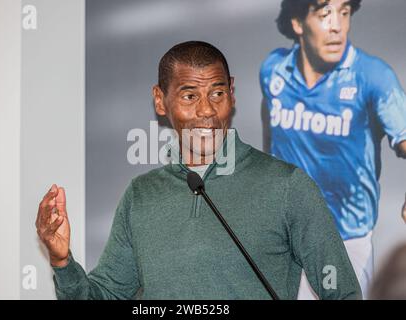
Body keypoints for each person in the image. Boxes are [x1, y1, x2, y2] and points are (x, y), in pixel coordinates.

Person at [36, 41, 361, 299]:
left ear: (231, 94)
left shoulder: (287, 186)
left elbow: (342, 292)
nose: (206, 110)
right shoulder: (141, 195)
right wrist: (62, 261)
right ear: (160, 100)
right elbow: (104, 296)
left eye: (217, 93)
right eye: (189, 95)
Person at [259, 0, 406, 299]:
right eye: (325, 13)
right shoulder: (273, 70)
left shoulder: (373, 76)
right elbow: (270, 130)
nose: (337, 25)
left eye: (344, 12)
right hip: (290, 240)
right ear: (298, 23)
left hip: (348, 242)